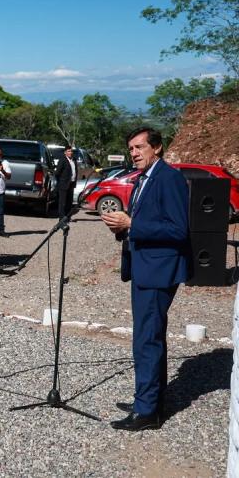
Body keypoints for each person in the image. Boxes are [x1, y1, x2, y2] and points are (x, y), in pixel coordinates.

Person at [102, 127, 190, 431]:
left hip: (158, 271)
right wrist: (123, 229)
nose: (134, 153)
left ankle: (147, 411)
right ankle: (150, 399)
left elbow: (179, 230)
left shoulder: (169, 178)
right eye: (131, 149)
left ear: (158, 148)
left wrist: (133, 223)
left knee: (146, 340)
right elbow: (146, 223)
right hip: (143, 266)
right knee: (148, 337)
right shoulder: (143, 179)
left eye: (139, 147)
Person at [55, 145, 77, 219]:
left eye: (71, 151)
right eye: (68, 151)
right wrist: (61, 181)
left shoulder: (74, 160)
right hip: (63, 184)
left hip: (71, 184)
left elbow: (75, 171)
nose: (70, 152)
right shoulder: (62, 160)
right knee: (62, 202)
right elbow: (57, 173)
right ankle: (61, 217)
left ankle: (68, 216)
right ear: (65, 152)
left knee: (69, 202)